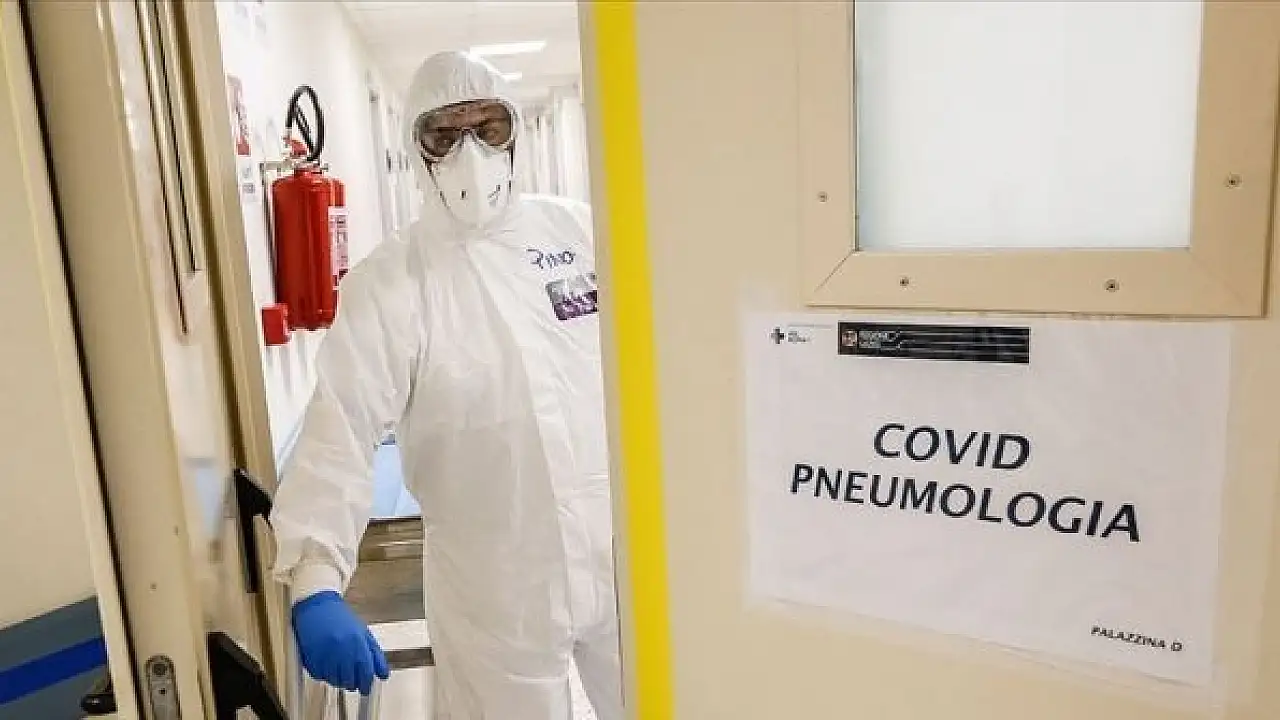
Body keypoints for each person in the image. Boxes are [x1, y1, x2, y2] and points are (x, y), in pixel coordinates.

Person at [270, 51, 621, 720]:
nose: (470, 153)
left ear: (514, 131)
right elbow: (341, 427)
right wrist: (315, 579)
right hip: (495, 588)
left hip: (621, 552)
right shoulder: (390, 281)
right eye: (445, 133)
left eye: (487, 127)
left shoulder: (580, 233)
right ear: (416, 146)